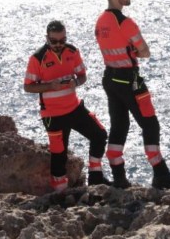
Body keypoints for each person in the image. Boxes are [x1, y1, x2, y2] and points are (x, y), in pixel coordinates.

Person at [94, 0, 170, 190]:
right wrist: (134, 51)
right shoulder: (125, 22)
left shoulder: (100, 22)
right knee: (150, 124)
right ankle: (160, 174)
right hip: (129, 80)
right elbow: (144, 51)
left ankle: (119, 177)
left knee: (119, 126)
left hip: (110, 78)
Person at [24, 20, 110, 192]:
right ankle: (60, 193)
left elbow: (82, 76)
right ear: (46, 38)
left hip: (74, 108)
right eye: (54, 41)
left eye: (62, 41)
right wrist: (50, 86)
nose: (58, 45)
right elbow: (28, 86)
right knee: (59, 153)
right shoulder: (37, 58)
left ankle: (95, 176)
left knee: (99, 135)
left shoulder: (72, 51)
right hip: (52, 114)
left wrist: (76, 82)